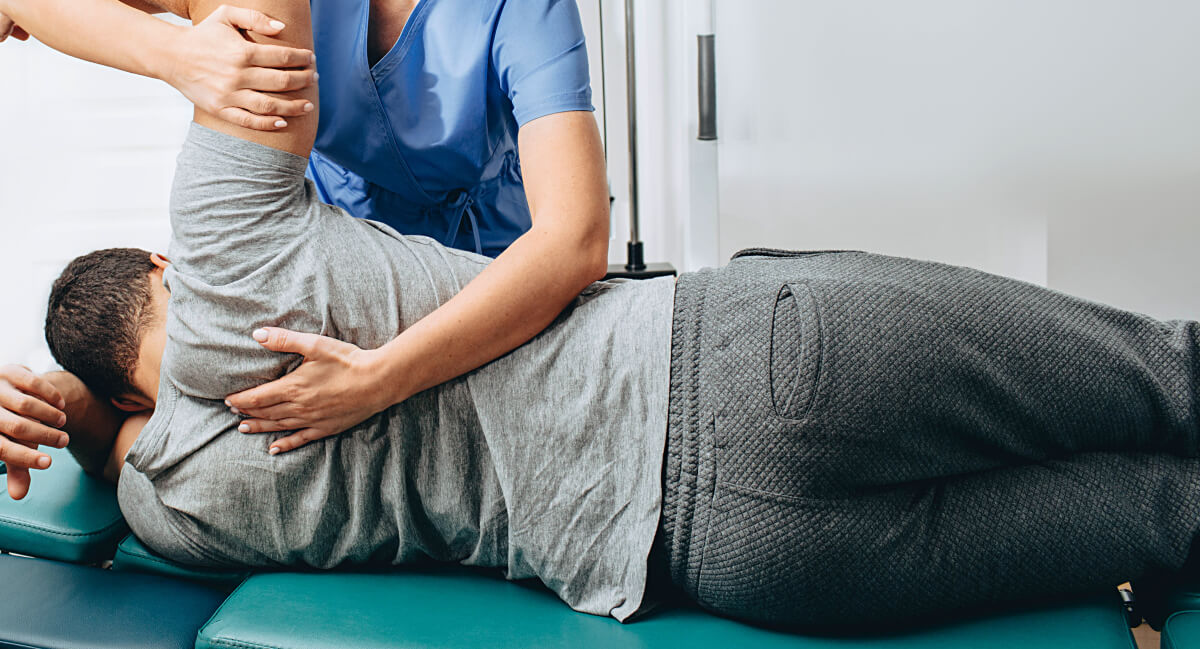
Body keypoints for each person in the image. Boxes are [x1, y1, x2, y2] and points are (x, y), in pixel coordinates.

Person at [4, 0, 1200, 630]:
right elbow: (231, 46)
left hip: (731, 564)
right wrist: (164, 55)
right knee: (1170, 375)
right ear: (169, 256)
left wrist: (76, 406)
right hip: (741, 363)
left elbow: (115, 451)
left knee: (1169, 516)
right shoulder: (230, 242)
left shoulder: (173, 507)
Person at [0, 0, 612, 466]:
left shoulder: (524, 11)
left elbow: (576, 240)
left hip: (482, 285)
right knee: (227, 425)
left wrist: (379, 379)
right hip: (338, 262)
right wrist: (174, 56)